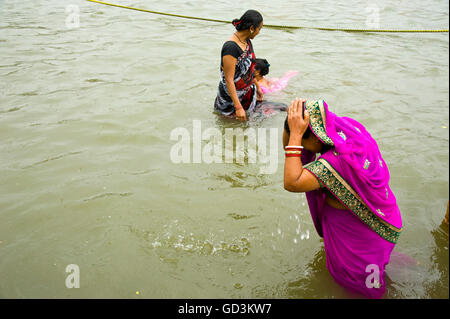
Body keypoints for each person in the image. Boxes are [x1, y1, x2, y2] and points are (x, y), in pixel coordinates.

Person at [282, 98, 403, 298]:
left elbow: (292, 182)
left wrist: (295, 133)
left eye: (304, 140)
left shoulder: (337, 162)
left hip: (359, 237)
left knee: (362, 291)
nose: (303, 147)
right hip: (374, 219)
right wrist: (293, 124)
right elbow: (289, 149)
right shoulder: (346, 128)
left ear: (314, 138)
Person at [214, 10, 264, 122]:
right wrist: (238, 107)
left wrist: (258, 87)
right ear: (251, 28)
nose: (259, 32)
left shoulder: (247, 41)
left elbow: (251, 67)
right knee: (230, 126)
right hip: (231, 100)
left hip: (247, 93)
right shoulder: (231, 48)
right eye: (259, 29)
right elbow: (229, 80)